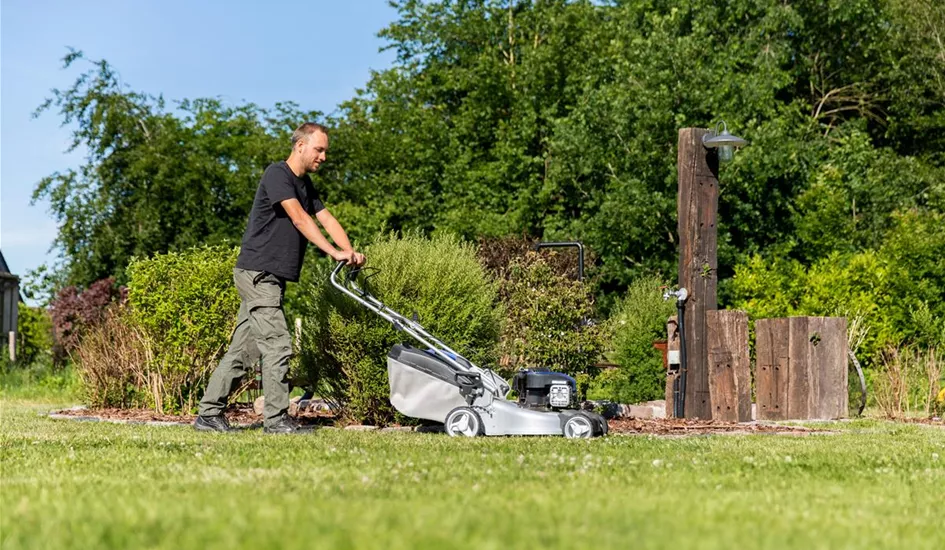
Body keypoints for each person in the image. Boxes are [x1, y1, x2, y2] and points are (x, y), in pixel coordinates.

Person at [194, 122, 365, 434]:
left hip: (268, 278)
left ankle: (208, 414)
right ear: (300, 146)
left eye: (325, 150)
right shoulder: (277, 174)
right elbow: (299, 218)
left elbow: (325, 217)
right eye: (319, 149)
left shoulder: (305, 185)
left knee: (244, 351)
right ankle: (276, 421)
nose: (324, 157)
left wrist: (350, 251)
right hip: (259, 274)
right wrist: (331, 251)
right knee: (278, 345)